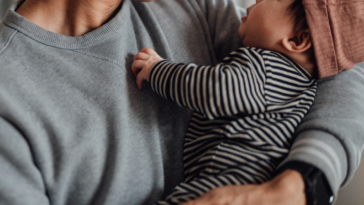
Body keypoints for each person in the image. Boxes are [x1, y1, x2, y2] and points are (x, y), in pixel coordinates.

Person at [0, 0, 363, 205]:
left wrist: (301, 186)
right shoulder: (9, 95)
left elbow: (337, 71)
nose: (254, 2)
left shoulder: (193, 7)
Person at [132, 0, 318, 204]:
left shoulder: (267, 67)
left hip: (227, 181)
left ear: (297, 40)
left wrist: (158, 70)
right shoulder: (306, 88)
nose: (253, 3)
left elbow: (213, 90)